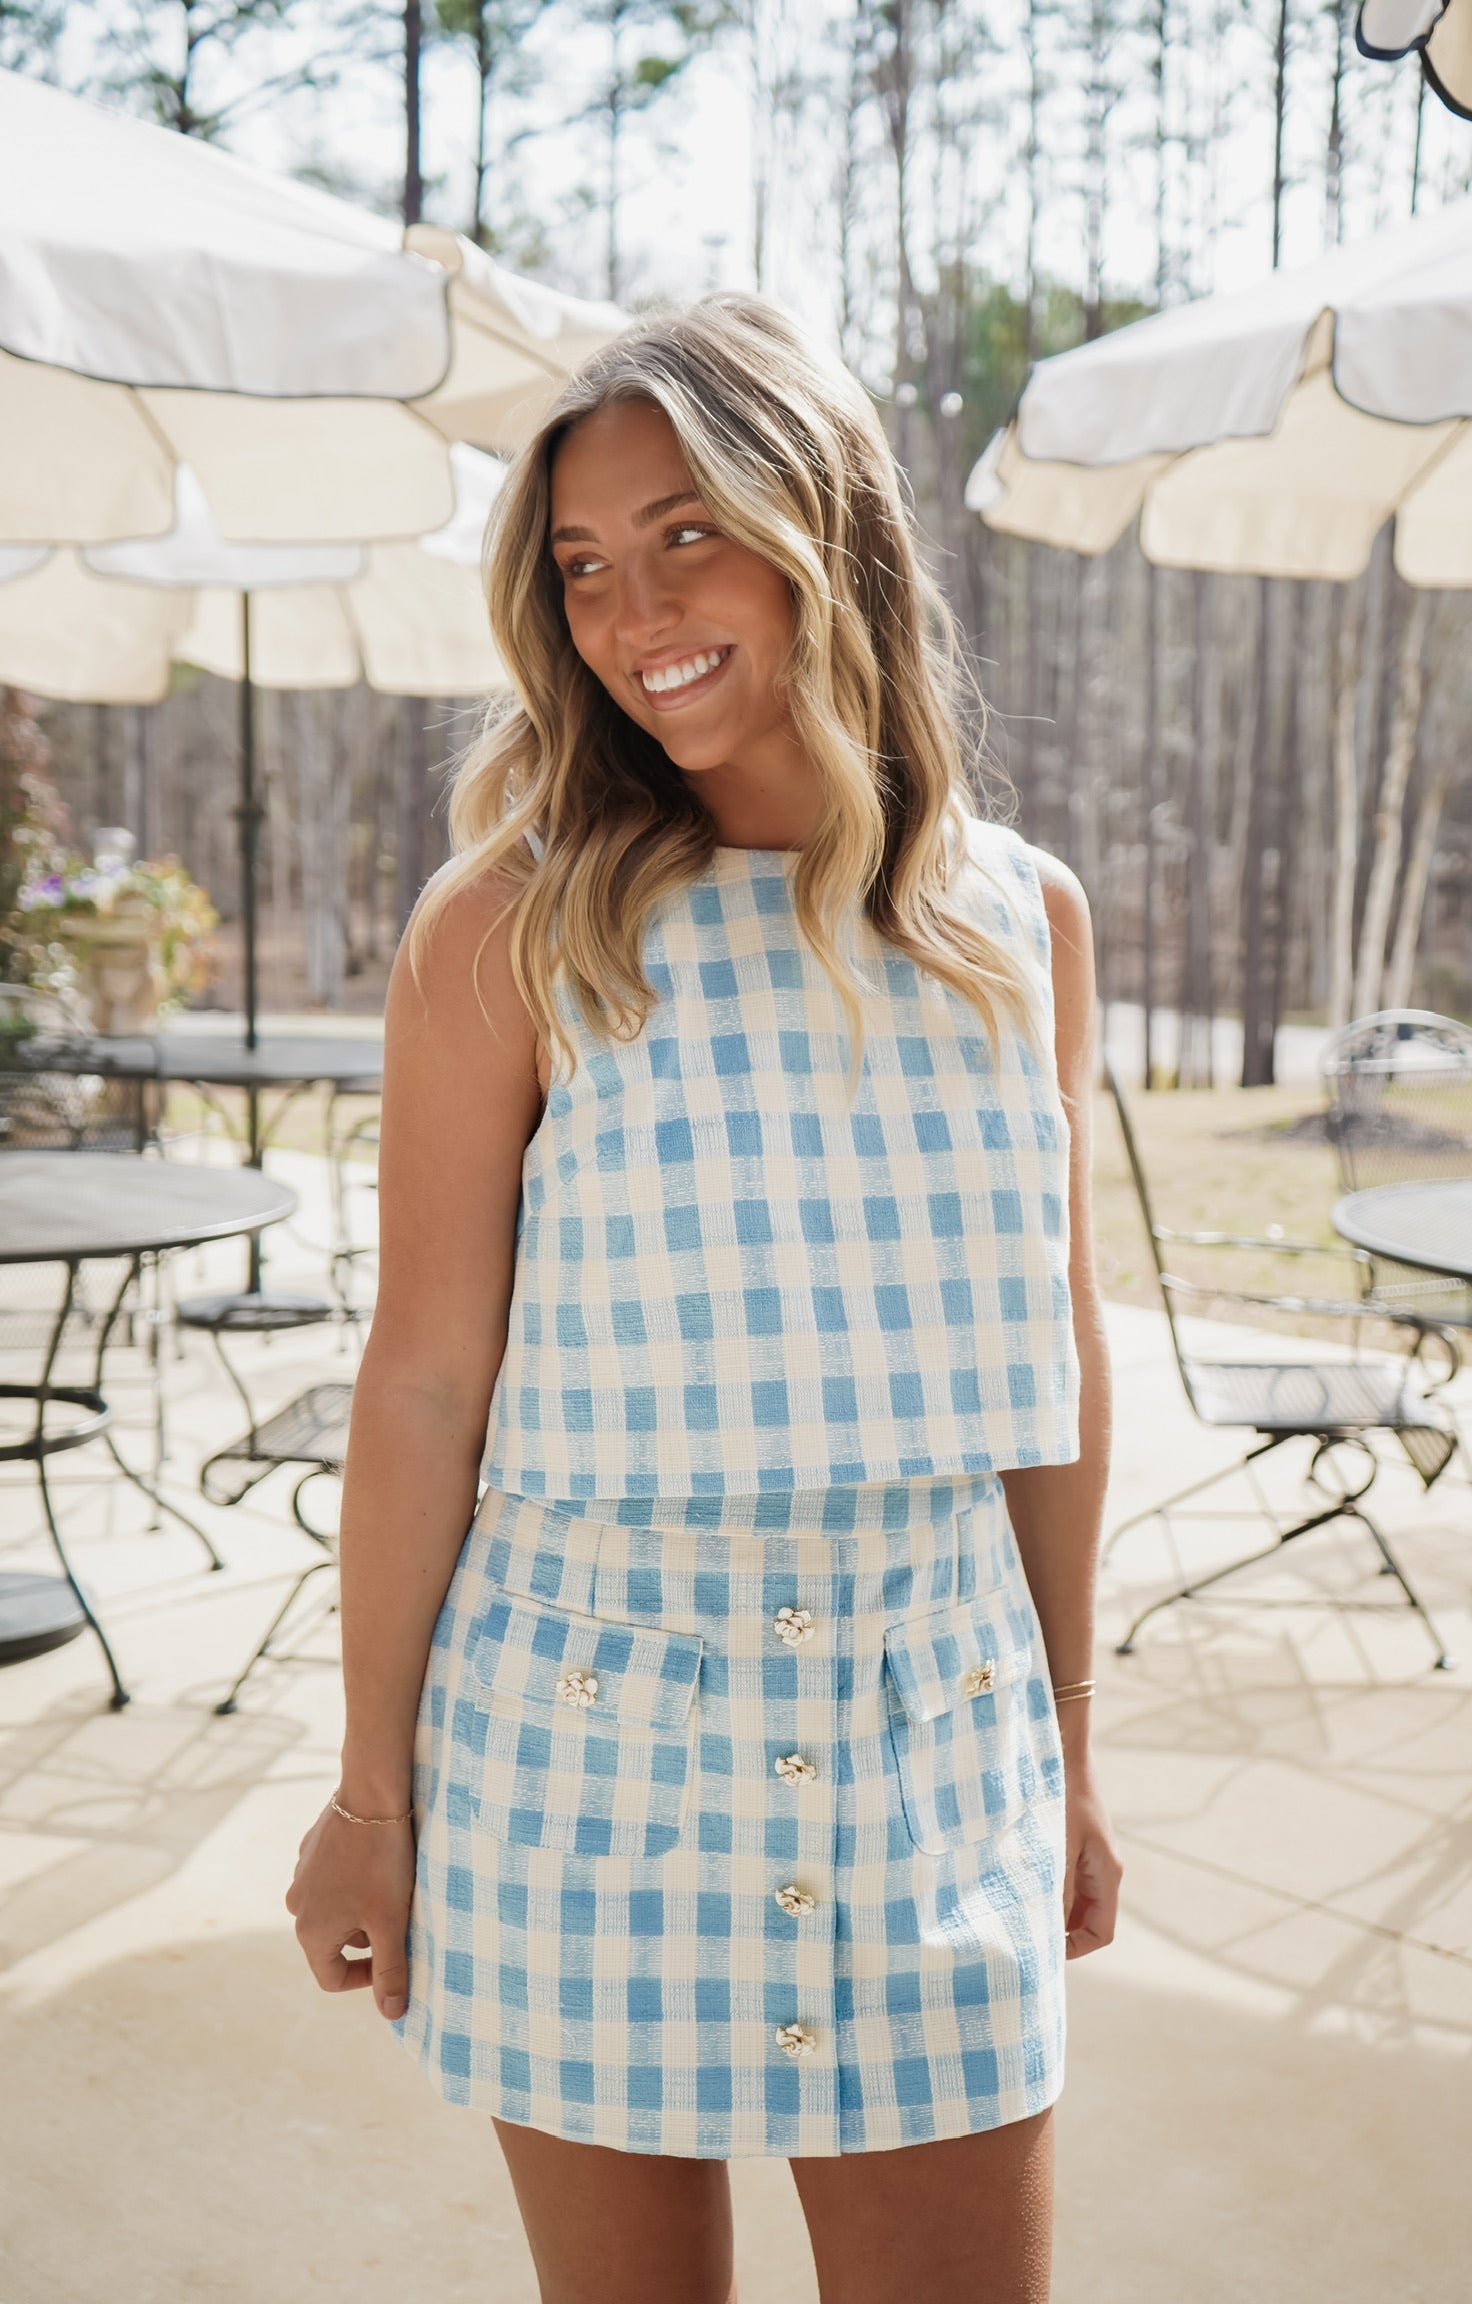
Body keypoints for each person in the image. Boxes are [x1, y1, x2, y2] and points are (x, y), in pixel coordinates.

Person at [287, 294, 1119, 2304]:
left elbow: (1060, 1360)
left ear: (826, 527)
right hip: (585, 1753)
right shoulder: (510, 929)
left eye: (686, 534)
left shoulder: (1023, 922)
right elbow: (421, 1386)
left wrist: (1076, 1750)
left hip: (938, 1743)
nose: (631, 611)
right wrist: (371, 1793)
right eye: (582, 565)